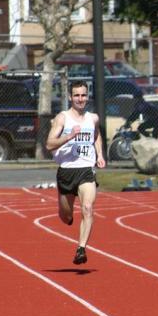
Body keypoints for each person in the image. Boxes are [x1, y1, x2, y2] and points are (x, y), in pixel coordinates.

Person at [45, 80, 106, 265]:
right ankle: (65, 212)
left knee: (87, 208)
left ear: (87, 97)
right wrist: (69, 136)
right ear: (70, 97)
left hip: (86, 170)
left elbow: (96, 135)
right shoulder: (62, 118)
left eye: (84, 95)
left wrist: (100, 154)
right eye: (77, 95)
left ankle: (81, 249)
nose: (81, 99)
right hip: (66, 171)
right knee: (66, 216)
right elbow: (49, 144)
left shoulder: (93, 118)